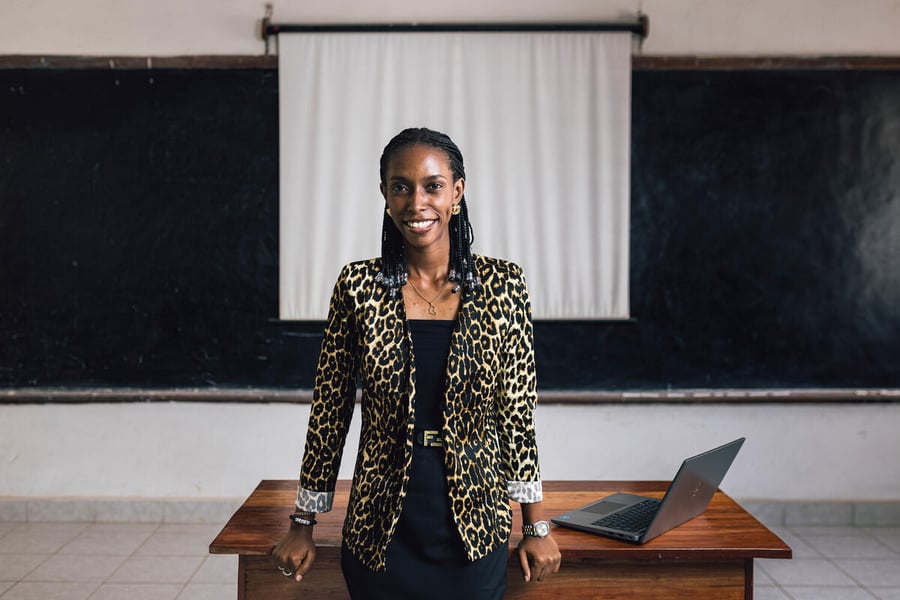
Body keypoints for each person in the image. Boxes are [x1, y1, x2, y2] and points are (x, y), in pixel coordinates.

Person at [272, 127, 560, 598]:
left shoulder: (504, 286)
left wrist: (535, 526)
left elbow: (516, 415)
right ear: (384, 194)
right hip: (380, 528)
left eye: (432, 186)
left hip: (474, 525)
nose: (416, 201)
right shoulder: (358, 287)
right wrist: (303, 521)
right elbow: (330, 411)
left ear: (457, 193)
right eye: (400, 186)